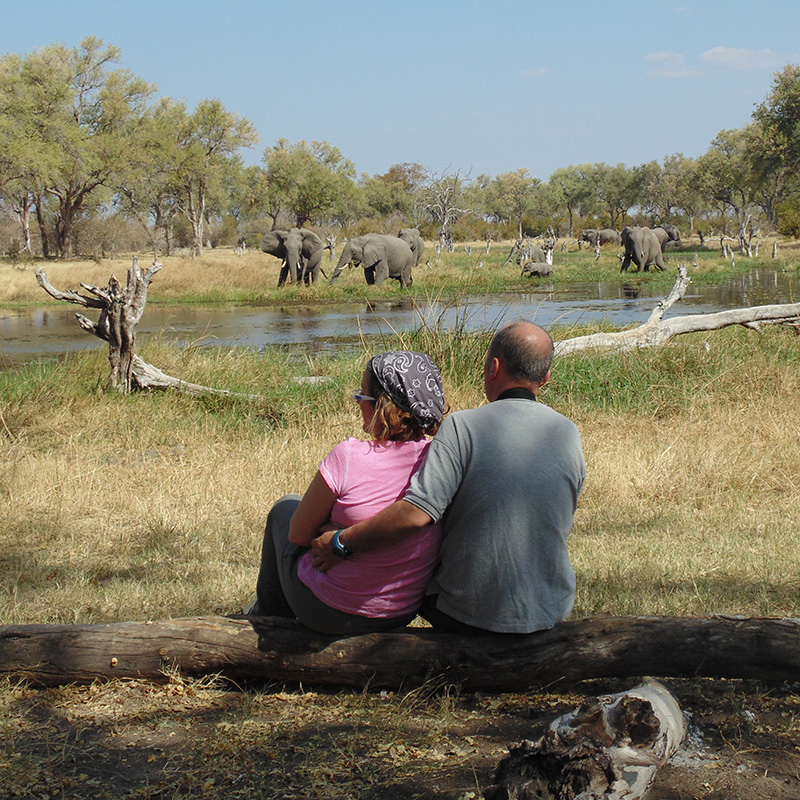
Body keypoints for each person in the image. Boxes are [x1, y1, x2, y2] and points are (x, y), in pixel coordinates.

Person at [312, 320, 586, 635]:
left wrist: (341, 543)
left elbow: (416, 514)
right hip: (550, 609)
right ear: (546, 378)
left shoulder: (462, 426)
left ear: (492, 368)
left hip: (463, 612)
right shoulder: (567, 432)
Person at [246, 350, 446, 635]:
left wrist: (332, 529)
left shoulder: (349, 456)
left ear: (382, 406)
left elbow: (299, 536)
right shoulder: (442, 461)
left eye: (362, 397)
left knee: (284, 508)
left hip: (328, 610)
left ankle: (267, 617)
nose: (358, 404)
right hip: (401, 610)